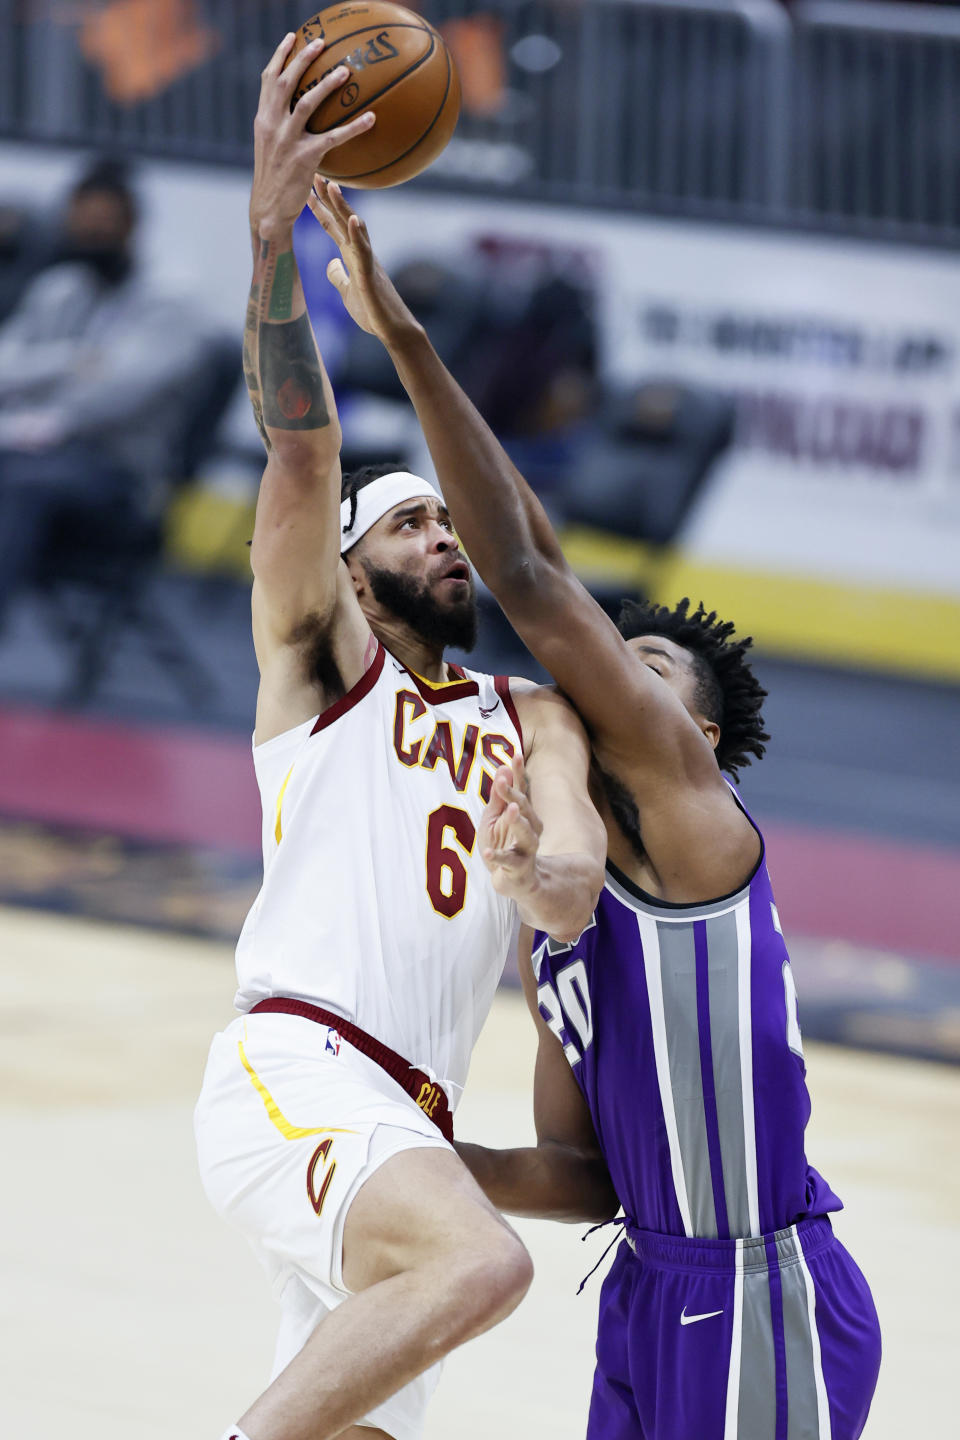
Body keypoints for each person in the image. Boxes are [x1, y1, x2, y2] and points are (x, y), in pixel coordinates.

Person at [308, 179, 883, 1440]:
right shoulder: (560, 911)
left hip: (758, 1286)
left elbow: (528, 573)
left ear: (705, 739)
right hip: (649, 1289)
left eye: (648, 671)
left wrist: (404, 339)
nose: (613, 677)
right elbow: (583, 1178)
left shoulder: (702, 826)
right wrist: (401, 1165)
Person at [193, 34, 606, 1440]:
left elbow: (571, 875)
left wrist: (546, 881)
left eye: (449, 520)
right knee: (487, 1262)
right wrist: (270, 241)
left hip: (409, 1130)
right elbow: (302, 451)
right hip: (299, 1070)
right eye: (408, 523)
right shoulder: (324, 673)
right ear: (352, 576)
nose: (443, 536)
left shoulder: (527, 714)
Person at [0, 155, 230, 630]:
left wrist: (47, 412)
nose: (90, 234)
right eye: (82, 223)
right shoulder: (58, 289)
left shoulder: (172, 301)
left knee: (19, 486)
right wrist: (73, 359)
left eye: (103, 223)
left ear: (131, 225)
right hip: (29, 450)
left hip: (119, 477)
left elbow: (117, 393)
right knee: (22, 473)